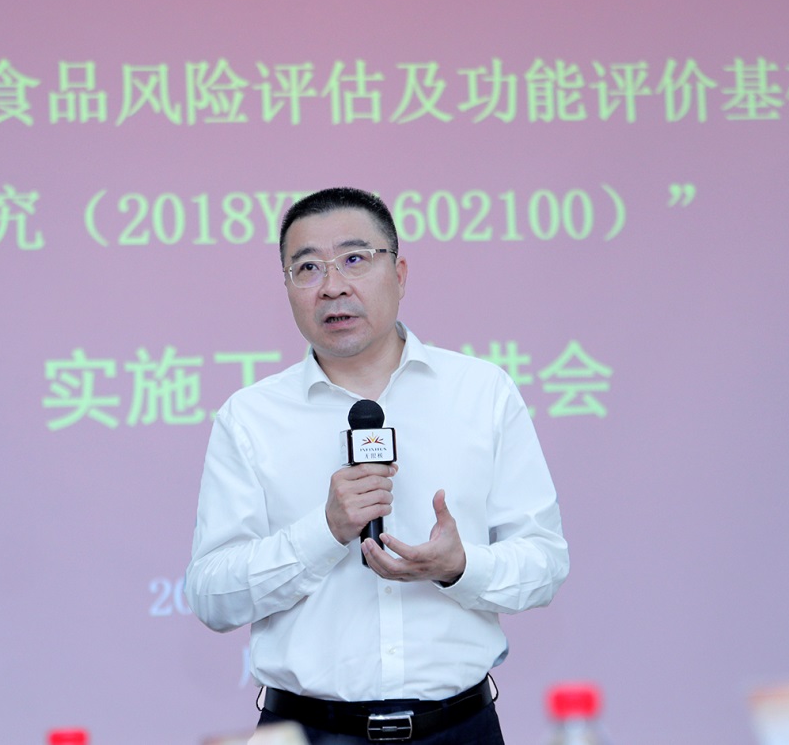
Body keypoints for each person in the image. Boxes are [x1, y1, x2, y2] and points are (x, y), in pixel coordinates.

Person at [186, 187, 569, 744]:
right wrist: (324, 531)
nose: (332, 285)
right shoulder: (250, 418)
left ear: (400, 273)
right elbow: (212, 596)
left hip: (459, 729)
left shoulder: (481, 392)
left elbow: (545, 562)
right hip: (308, 731)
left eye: (354, 259)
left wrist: (460, 567)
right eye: (307, 267)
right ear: (288, 288)